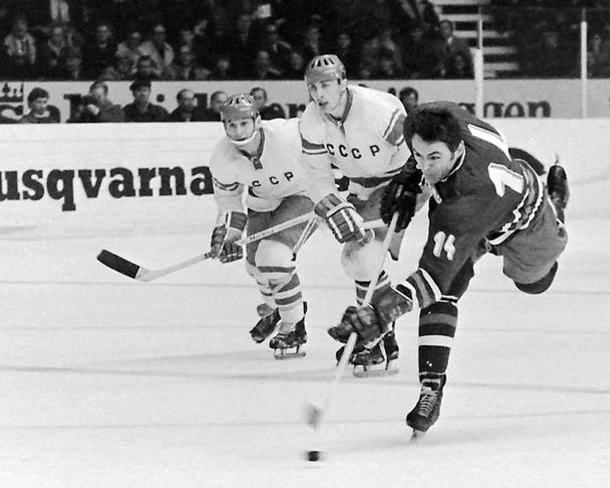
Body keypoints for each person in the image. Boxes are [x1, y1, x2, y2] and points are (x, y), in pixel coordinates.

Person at [327, 101, 569, 435]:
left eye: (434, 158)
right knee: (446, 296)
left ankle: (557, 202)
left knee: (534, 283)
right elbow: (434, 114)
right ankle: (431, 389)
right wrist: (409, 173)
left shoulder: (462, 207)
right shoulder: (435, 124)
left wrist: (381, 314)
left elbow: (430, 279)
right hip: (475, 198)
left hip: (523, 221)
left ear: (456, 149)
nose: (425, 166)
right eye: (418, 156)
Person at [298, 54, 410, 374]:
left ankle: (376, 336)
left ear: (343, 82)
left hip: (398, 184)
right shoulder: (311, 120)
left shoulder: (378, 110)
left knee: (362, 257)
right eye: (313, 87)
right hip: (359, 186)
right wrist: (333, 205)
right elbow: (317, 175)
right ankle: (382, 333)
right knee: (355, 259)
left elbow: (416, 153)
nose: (319, 94)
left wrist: (408, 189)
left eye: (325, 85)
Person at [208, 94, 316, 359]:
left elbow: (325, 151)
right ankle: (277, 308)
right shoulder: (222, 157)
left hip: (303, 194)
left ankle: (293, 324)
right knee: (255, 267)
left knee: (274, 259)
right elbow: (229, 198)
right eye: (232, 125)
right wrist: (230, 234)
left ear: (257, 120)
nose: (238, 131)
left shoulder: (288, 135)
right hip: (263, 201)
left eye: (244, 123)